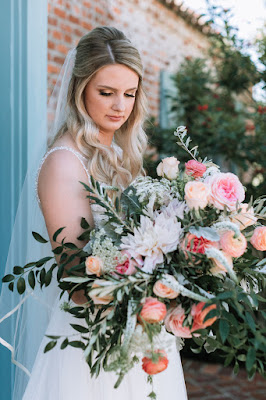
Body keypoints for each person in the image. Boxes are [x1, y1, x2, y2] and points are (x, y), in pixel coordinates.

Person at [1, 27, 188, 399]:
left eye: (129, 94)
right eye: (106, 93)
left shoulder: (118, 157)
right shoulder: (65, 165)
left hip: (140, 333)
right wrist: (155, 287)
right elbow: (78, 280)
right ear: (79, 89)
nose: (120, 105)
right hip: (92, 346)